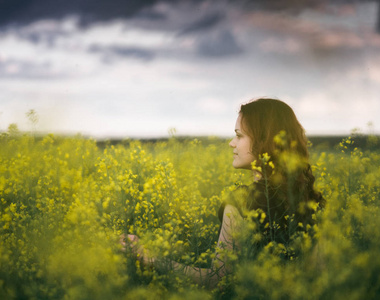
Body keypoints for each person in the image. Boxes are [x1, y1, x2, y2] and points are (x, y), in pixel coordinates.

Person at [121, 98, 324, 287]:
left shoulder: (243, 201)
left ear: (265, 140)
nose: (232, 143)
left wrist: (150, 257)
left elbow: (216, 281)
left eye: (239, 135)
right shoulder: (313, 198)